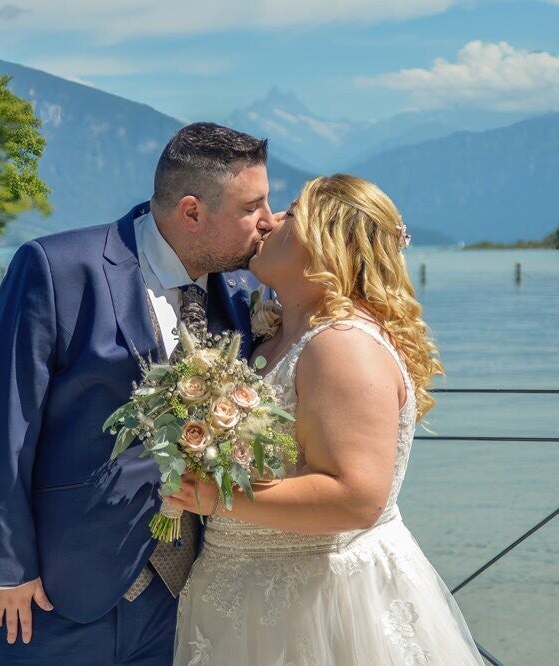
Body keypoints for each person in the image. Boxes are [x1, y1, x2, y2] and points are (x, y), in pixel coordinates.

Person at [0, 122, 275, 665]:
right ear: (192, 212)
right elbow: (2, 423)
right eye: (252, 207)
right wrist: (6, 568)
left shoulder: (245, 287)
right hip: (58, 593)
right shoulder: (59, 269)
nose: (269, 220)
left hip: (192, 595)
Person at [168, 174, 485, 665]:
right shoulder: (276, 333)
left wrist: (216, 497)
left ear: (325, 241)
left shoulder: (342, 345)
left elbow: (356, 497)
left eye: (291, 213)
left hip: (321, 604)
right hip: (239, 595)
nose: (270, 221)